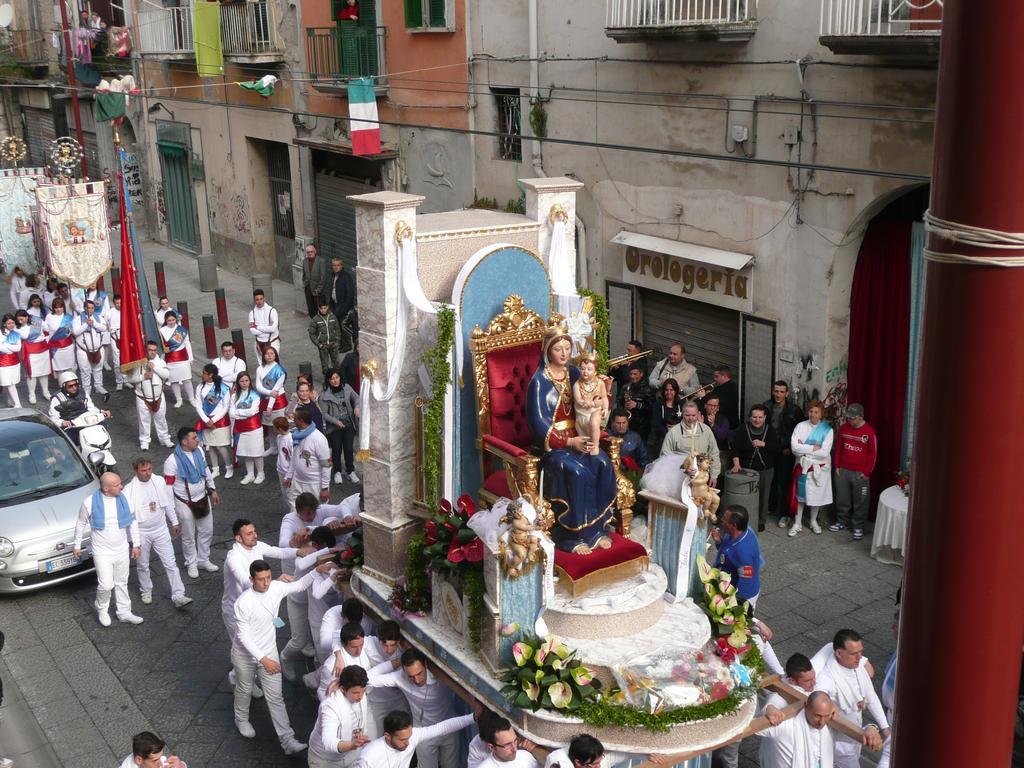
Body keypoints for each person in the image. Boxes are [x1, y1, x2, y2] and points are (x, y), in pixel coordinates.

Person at [527, 324, 617, 554]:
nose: (565, 353)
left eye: (568, 348)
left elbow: (592, 399)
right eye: (559, 349)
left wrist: (604, 394)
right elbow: (538, 422)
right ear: (548, 351)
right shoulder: (539, 382)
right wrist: (568, 442)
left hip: (581, 435)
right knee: (576, 473)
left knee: (602, 462)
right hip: (554, 448)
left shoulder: (575, 374)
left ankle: (597, 531)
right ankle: (571, 536)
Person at [232, 559, 313, 754]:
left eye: (268, 577)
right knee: (244, 689)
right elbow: (243, 637)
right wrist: (264, 659)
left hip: (269, 653)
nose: (266, 583)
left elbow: (300, 585)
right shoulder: (243, 602)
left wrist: (319, 569)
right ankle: (241, 719)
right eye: (261, 579)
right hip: (245, 656)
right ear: (252, 579)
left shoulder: (276, 587)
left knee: (276, 698)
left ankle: (288, 740)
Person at [222, 518, 298, 695]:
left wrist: (301, 551)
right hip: (235, 611)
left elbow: (279, 552)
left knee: (256, 647)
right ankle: (238, 679)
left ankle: (244, 678)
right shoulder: (233, 557)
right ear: (238, 538)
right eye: (249, 533)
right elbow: (244, 580)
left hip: (256, 606)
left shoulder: (257, 546)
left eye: (254, 531)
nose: (255, 535)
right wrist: (274, 583)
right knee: (245, 650)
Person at [367, 648, 461, 768]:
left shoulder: (441, 677)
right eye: (411, 676)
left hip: (449, 729)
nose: (416, 680)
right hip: (424, 734)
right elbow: (367, 678)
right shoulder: (399, 677)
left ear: (426, 665)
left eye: (419, 673)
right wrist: (395, 662)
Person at [73, 471, 144, 626]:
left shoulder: (125, 498)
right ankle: (102, 608)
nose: (121, 486)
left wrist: (136, 544)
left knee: (122, 582)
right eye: (117, 484)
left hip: (122, 549)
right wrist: (77, 545)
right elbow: (80, 523)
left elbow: (132, 522)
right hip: (102, 552)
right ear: (106, 488)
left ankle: (124, 612)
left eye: (120, 483)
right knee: (106, 585)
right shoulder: (89, 502)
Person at [122, 457, 192, 608]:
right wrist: (133, 540)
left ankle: (179, 594)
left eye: (149, 469)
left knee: (170, 563)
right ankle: (146, 590)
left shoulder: (159, 481)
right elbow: (130, 517)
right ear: (136, 471)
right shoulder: (129, 490)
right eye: (143, 470)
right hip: (141, 532)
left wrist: (173, 521)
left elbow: (167, 503)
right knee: (142, 565)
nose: (148, 473)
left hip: (160, 529)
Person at [814, 629, 889, 768]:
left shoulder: (857, 665)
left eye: (861, 652)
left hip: (855, 731)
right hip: (840, 742)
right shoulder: (829, 677)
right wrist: (828, 703)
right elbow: (819, 693)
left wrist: (885, 728)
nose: (860, 657)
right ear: (839, 653)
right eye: (854, 653)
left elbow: (871, 697)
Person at [163, 426, 221, 578]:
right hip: (184, 502)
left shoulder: (199, 451)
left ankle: (203, 560)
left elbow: (206, 470)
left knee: (207, 530)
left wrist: (212, 489)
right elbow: (168, 489)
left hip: (202, 497)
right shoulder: (171, 461)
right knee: (188, 535)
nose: (198, 440)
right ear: (184, 442)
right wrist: (173, 516)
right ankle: (192, 563)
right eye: (194, 438)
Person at [354, 708, 477, 768]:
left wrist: (473, 717)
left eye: (409, 737)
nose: (408, 743)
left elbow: (442, 728)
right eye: (402, 740)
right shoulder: (369, 756)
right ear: (387, 735)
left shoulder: (412, 736)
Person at [308, 665, 376, 767]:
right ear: (343, 689)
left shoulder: (360, 692)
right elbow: (328, 741)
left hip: (352, 754)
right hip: (325, 761)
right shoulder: (330, 707)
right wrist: (351, 745)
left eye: (363, 691)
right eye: (355, 692)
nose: (360, 696)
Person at [755, 691, 842, 768]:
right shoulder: (785, 726)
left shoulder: (830, 722)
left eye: (826, 716)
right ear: (806, 706)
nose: (822, 722)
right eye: (817, 715)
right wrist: (769, 707)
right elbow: (749, 726)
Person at [830, 403, 878, 541]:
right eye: (848, 417)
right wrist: (837, 466)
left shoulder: (869, 432)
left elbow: (872, 454)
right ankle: (842, 522)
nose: (849, 420)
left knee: (861, 501)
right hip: (843, 471)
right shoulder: (844, 428)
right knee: (842, 498)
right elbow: (838, 448)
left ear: (861, 417)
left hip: (860, 473)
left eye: (853, 418)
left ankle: (858, 526)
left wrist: (867, 472)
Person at [729, 404, 781, 531]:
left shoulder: (770, 430)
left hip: (765, 469)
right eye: (754, 417)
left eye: (760, 417)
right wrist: (736, 463)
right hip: (747, 469)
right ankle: (743, 519)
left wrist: (764, 444)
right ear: (750, 417)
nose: (757, 420)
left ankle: (761, 520)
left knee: (763, 495)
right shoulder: (743, 429)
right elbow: (735, 448)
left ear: (764, 418)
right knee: (746, 496)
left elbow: (777, 448)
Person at [787, 400, 834, 537]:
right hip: (803, 466)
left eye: (816, 412)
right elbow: (795, 448)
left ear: (821, 414)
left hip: (820, 468)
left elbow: (824, 452)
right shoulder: (800, 426)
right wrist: (813, 447)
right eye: (811, 411)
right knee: (800, 496)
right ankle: (797, 522)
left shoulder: (827, 430)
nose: (813, 414)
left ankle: (813, 521)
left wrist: (804, 448)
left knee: (817, 496)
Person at [765, 381, 804, 527]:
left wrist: (790, 447)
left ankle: (785, 514)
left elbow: (799, 432)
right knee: (771, 481)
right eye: (776, 391)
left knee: (784, 483)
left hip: (786, 452)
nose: (778, 394)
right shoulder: (766, 406)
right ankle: (771, 507)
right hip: (769, 450)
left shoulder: (794, 410)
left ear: (787, 393)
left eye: (781, 392)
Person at [709, 504, 761, 608]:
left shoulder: (743, 552)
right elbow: (729, 554)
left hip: (743, 597)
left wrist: (735, 604)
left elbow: (746, 581)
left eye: (724, 519)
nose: (721, 521)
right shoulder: (737, 534)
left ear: (734, 525)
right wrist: (719, 542)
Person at [128, 341, 173, 452]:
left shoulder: (160, 362)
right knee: (144, 420)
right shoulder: (138, 363)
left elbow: (167, 375)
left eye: (154, 350)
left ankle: (164, 438)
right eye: (150, 350)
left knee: (161, 418)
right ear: (145, 350)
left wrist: (154, 368)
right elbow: (130, 379)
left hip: (159, 396)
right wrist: (143, 376)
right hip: (142, 397)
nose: (152, 352)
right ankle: (144, 440)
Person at [661, 400, 721, 482]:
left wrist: (714, 475)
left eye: (693, 415)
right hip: (679, 477)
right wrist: (682, 469)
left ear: (698, 414)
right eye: (687, 415)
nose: (691, 419)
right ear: (682, 414)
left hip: (702, 477)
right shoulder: (673, 432)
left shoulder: (706, 430)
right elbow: (665, 456)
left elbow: (714, 452)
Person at [283, 405, 331, 506]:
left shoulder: (319, 439)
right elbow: (294, 457)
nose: (292, 419)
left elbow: (326, 465)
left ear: (300, 421)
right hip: (297, 482)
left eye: (294, 418)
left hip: (314, 485)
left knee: (316, 514)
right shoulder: (296, 435)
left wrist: (325, 488)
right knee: (295, 510)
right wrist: (289, 475)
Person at [48, 370, 109, 446]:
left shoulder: (83, 393)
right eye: (70, 386)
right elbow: (53, 418)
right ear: (63, 386)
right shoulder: (57, 399)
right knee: (70, 440)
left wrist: (101, 412)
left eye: (76, 384)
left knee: (102, 426)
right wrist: (62, 422)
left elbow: (91, 407)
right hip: (71, 425)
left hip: (86, 421)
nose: (74, 388)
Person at [321, 368, 360, 485]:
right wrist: (335, 421)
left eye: (337, 377)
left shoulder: (346, 388)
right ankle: (337, 471)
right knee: (337, 449)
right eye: (332, 378)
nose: (335, 380)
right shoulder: (324, 395)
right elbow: (324, 413)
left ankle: (350, 471)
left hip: (348, 424)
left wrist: (357, 407)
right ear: (328, 381)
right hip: (335, 427)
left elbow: (357, 397)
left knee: (348, 449)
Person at [194, 364, 233, 479]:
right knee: (210, 446)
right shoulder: (200, 387)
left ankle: (228, 466)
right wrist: (206, 420)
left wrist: (213, 420)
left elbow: (226, 406)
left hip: (220, 421)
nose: (202, 375)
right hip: (206, 420)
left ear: (210, 375)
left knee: (221, 446)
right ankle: (215, 468)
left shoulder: (223, 388)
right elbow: (198, 405)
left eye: (204, 373)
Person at [544, 733, 660, 768]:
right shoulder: (559, 761)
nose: (599, 766)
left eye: (599, 762)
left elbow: (626, 753)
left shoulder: (595, 759)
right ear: (578, 762)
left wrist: (646, 755)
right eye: (594, 764)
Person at [231, 371, 266, 484]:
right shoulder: (234, 395)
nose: (244, 383)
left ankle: (261, 473)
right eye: (241, 381)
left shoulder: (255, 395)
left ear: (250, 381)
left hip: (254, 427)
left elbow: (253, 411)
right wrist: (243, 413)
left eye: (246, 380)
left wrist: (238, 412)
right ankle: (250, 474)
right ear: (238, 382)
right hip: (241, 429)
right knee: (246, 452)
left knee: (256, 452)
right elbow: (231, 413)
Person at [573, 354, 609, 456]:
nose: (585, 372)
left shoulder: (600, 383)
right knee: (585, 437)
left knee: (594, 423)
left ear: (595, 371)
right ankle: (588, 447)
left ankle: (595, 445)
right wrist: (592, 403)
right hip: (582, 414)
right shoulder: (577, 385)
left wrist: (605, 408)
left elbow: (604, 397)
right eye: (583, 369)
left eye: (589, 369)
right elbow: (579, 400)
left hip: (595, 411)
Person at [73, 298, 108, 399]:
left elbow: (104, 328)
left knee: (98, 369)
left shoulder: (99, 318)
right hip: (84, 350)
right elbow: (75, 332)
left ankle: (98, 386)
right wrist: (85, 325)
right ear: (84, 308)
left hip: (98, 348)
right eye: (88, 308)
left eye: (92, 308)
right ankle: (86, 389)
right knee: (85, 370)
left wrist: (94, 324)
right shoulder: (78, 319)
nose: (91, 310)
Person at [477, 713, 541, 768]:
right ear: (492, 747)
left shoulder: (526, 757)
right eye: (507, 745)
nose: (515, 749)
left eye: (515, 740)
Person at [256, 345, 288, 451]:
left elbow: (277, 390)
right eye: (267, 354)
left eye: (272, 353)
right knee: (269, 425)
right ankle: (273, 446)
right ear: (263, 355)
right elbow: (258, 387)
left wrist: (270, 406)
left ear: (275, 355)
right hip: (265, 399)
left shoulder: (280, 370)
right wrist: (269, 392)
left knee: (280, 425)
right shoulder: (259, 369)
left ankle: (283, 447)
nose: (269, 356)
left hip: (278, 402)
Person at [159, 311, 194, 408]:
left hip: (183, 358)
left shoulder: (181, 330)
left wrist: (191, 358)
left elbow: (187, 344)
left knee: (187, 379)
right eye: (169, 320)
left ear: (176, 320)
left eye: (173, 320)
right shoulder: (162, 331)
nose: (171, 322)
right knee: (174, 381)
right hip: (170, 359)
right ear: (166, 321)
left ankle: (192, 399)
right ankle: (179, 399)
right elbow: (161, 347)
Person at [15, 308, 50, 403]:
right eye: (18, 319)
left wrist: (46, 339)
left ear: (27, 317)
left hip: (42, 349)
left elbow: (47, 329)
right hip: (29, 350)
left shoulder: (37, 321)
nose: (20, 321)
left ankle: (46, 391)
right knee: (31, 373)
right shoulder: (17, 327)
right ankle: (32, 394)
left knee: (44, 372)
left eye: (21, 319)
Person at [617, 364, 654, 442]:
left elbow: (652, 408)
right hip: (627, 424)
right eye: (630, 374)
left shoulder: (648, 390)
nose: (632, 376)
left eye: (635, 374)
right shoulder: (625, 387)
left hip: (642, 427)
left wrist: (637, 405)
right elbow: (619, 403)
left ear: (641, 374)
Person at [649, 377, 684, 457]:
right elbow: (655, 423)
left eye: (671, 390)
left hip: (679, 440)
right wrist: (668, 432)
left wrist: (675, 429)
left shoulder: (681, 404)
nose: (669, 392)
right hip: (662, 440)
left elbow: (685, 421)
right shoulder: (658, 405)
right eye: (666, 390)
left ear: (676, 391)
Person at [310, 294, 344, 374]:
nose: (323, 310)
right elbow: (312, 333)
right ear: (319, 308)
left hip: (333, 344)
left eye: (325, 308)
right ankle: (326, 379)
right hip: (323, 345)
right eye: (321, 308)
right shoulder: (315, 320)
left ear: (327, 307)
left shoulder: (332, 317)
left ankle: (337, 377)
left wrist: (337, 341)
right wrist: (318, 344)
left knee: (336, 363)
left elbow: (337, 329)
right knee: (325, 364)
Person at [328, 258, 356, 353]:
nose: (335, 267)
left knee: (344, 327)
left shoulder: (346, 277)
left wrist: (343, 309)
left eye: (337, 265)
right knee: (338, 328)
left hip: (344, 308)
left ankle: (347, 345)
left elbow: (350, 295)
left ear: (341, 266)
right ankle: (341, 344)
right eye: (334, 265)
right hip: (335, 306)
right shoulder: (333, 276)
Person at [43, 296, 76, 376]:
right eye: (56, 307)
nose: (58, 309)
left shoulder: (69, 317)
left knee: (70, 367)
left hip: (68, 346)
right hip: (55, 347)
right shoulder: (49, 317)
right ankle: (62, 386)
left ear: (63, 307)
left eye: (60, 307)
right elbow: (46, 331)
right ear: (53, 308)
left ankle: (73, 383)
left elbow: (73, 331)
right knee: (59, 369)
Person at [703, 393, 731, 485]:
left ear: (718, 407)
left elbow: (723, 436)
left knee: (717, 483)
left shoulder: (723, 419)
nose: (712, 408)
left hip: (719, 454)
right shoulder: (700, 417)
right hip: (703, 455)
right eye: (710, 405)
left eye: (715, 406)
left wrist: (713, 425)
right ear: (705, 405)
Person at [116, 731, 185, 768]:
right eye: (155, 760)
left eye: (160, 757)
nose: (160, 763)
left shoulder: (161, 763)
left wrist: (181, 766)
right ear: (139, 760)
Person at [248, 288, 280, 360]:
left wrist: (257, 327)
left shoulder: (272, 311)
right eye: (257, 299)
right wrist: (267, 328)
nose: (259, 301)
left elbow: (273, 329)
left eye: (261, 299)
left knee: (273, 363)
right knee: (262, 365)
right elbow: (252, 331)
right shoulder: (252, 313)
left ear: (264, 298)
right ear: (254, 300)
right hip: (259, 343)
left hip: (272, 342)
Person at [106, 294, 129, 391]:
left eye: (120, 302)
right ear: (114, 303)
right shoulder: (109, 313)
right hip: (115, 338)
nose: (119, 304)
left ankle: (126, 379)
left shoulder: (126, 311)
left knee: (126, 359)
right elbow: (106, 324)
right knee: (116, 361)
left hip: (125, 337)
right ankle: (119, 381)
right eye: (117, 303)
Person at [0, 314, 23, 407]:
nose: (11, 325)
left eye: (13, 322)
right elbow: (1, 348)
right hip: (3, 362)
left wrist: (6, 345)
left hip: (14, 362)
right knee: (9, 382)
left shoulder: (16, 333)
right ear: (5, 324)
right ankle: (18, 404)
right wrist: (10, 348)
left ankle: (10, 400)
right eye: (9, 323)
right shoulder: (0, 333)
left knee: (10, 382)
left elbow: (18, 348)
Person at [303, 242, 330, 318]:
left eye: (311, 252)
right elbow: (304, 275)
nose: (310, 253)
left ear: (315, 252)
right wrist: (305, 284)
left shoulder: (321, 261)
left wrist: (319, 289)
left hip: (318, 291)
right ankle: (313, 323)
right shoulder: (305, 261)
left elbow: (323, 277)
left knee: (319, 309)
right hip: (308, 289)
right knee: (311, 309)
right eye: (308, 252)